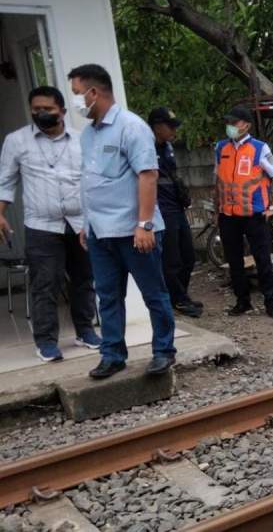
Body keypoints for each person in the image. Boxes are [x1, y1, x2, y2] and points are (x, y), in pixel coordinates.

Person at [69, 64, 176, 378]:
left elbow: (148, 175)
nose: (76, 101)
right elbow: (89, 181)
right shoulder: (88, 135)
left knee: (153, 293)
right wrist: (86, 225)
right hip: (101, 233)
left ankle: (163, 351)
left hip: (135, 231)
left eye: (77, 94)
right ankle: (113, 354)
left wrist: (144, 224)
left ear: (94, 92)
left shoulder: (131, 126)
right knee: (108, 296)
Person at [0, 86, 100, 362]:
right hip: (41, 225)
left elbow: (93, 180)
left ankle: (85, 331)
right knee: (46, 282)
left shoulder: (83, 140)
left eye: (48, 109)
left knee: (84, 279)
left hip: (80, 222)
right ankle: (46, 341)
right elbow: (5, 181)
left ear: (63, 112)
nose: (41, 114)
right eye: (36, 110)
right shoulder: (17, 141)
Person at [215, 104, 273, 318]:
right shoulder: (220, 148)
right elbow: (218, 180)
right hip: (228, 215)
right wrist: (217, 209)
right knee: (234, 261)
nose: (230, 126)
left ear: (246, 125)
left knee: (262, 259)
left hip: (254, 214)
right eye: (229, 122)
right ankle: (242, 301)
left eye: (234, 122)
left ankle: (270, 303)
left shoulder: (259, 148)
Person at [148, 107, 202, 318]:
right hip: (162, 210)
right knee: (172, 259)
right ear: (157, 126)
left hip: (176, 207)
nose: (174, 131)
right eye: (170, 127)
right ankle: (177, 298)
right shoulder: (145, 147)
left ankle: (181, 294)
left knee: (188, 256)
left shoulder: (167, 147)